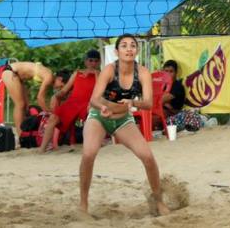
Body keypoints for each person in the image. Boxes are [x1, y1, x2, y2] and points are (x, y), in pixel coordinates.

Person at [79, 34, 169, 216]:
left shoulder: (142, 72)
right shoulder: (109, 70)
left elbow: (149, 103)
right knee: (89, 154)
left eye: (132, 46)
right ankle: (83, 203)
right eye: (124, 46)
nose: (129, 49)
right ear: (117, 51)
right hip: (99, 116)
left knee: (148, 157)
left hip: (122, 119)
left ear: (137, 50)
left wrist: (132, 103)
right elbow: (94, 99)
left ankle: (159, 201)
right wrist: (103, 106)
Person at [39, 50, 101, 153]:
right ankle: (42, 149)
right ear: (86, 61)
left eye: (95, 61)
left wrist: (95, 74)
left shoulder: (100, 74)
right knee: (53, 119)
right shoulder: (77, 73)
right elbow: (64, 90)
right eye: (90, 60)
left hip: (89, 102)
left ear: (99, 62)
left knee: (91, 112)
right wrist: (56, 95)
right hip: (73, 102)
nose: (93, 63)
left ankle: (90, 144)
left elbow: (100, 89)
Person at [1, 61, 54, 134]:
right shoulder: (49, 77)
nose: (59, 88)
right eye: (61, 86)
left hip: (17, 75)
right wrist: (49, 113)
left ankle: (25, 131)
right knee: (20, 104)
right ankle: (21, 136)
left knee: (26, 106)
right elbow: (40, 98)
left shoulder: (49, 75)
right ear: (60, 79)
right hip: (11, 72)